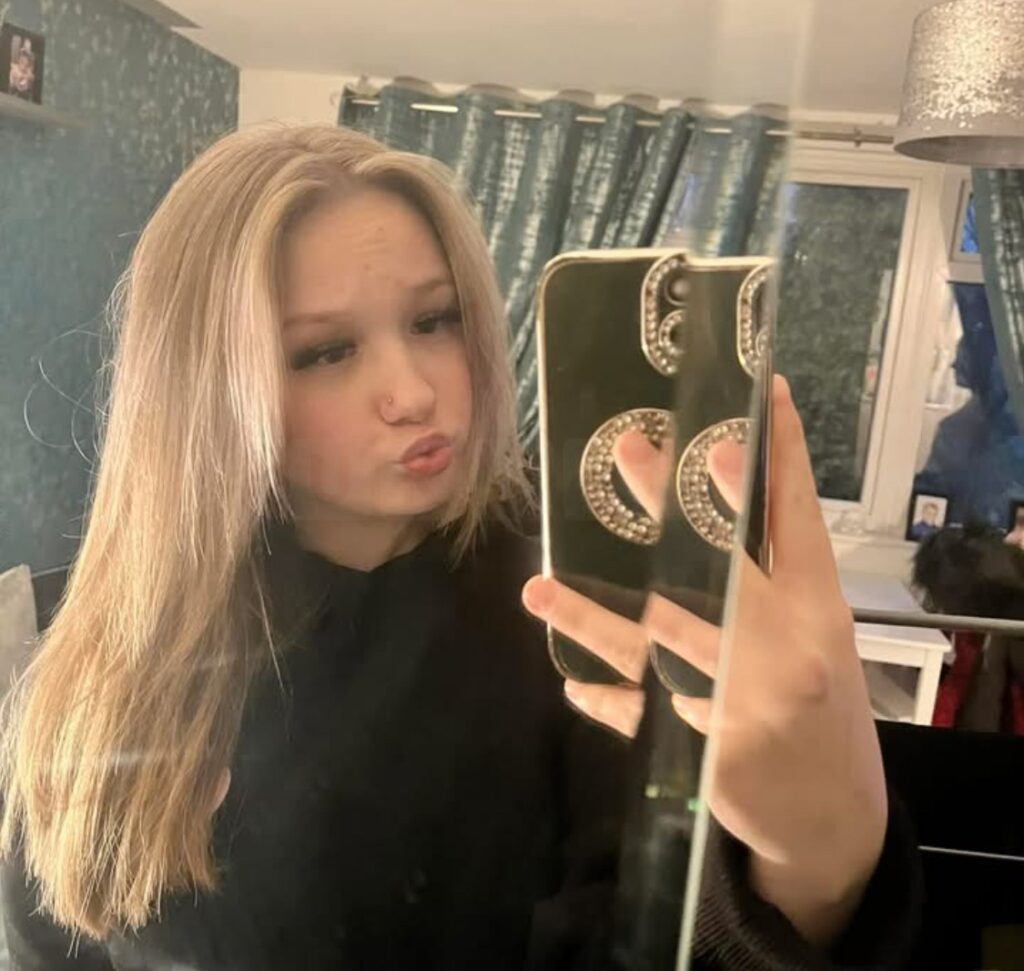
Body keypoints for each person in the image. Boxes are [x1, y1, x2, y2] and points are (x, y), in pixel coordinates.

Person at [0, 124, 919, 970]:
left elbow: (658, 932)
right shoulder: (113, 658)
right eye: (325, 352)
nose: (413, 391)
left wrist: (822, 863)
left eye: (434, 320)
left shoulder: (580, 607)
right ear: (204, 391)